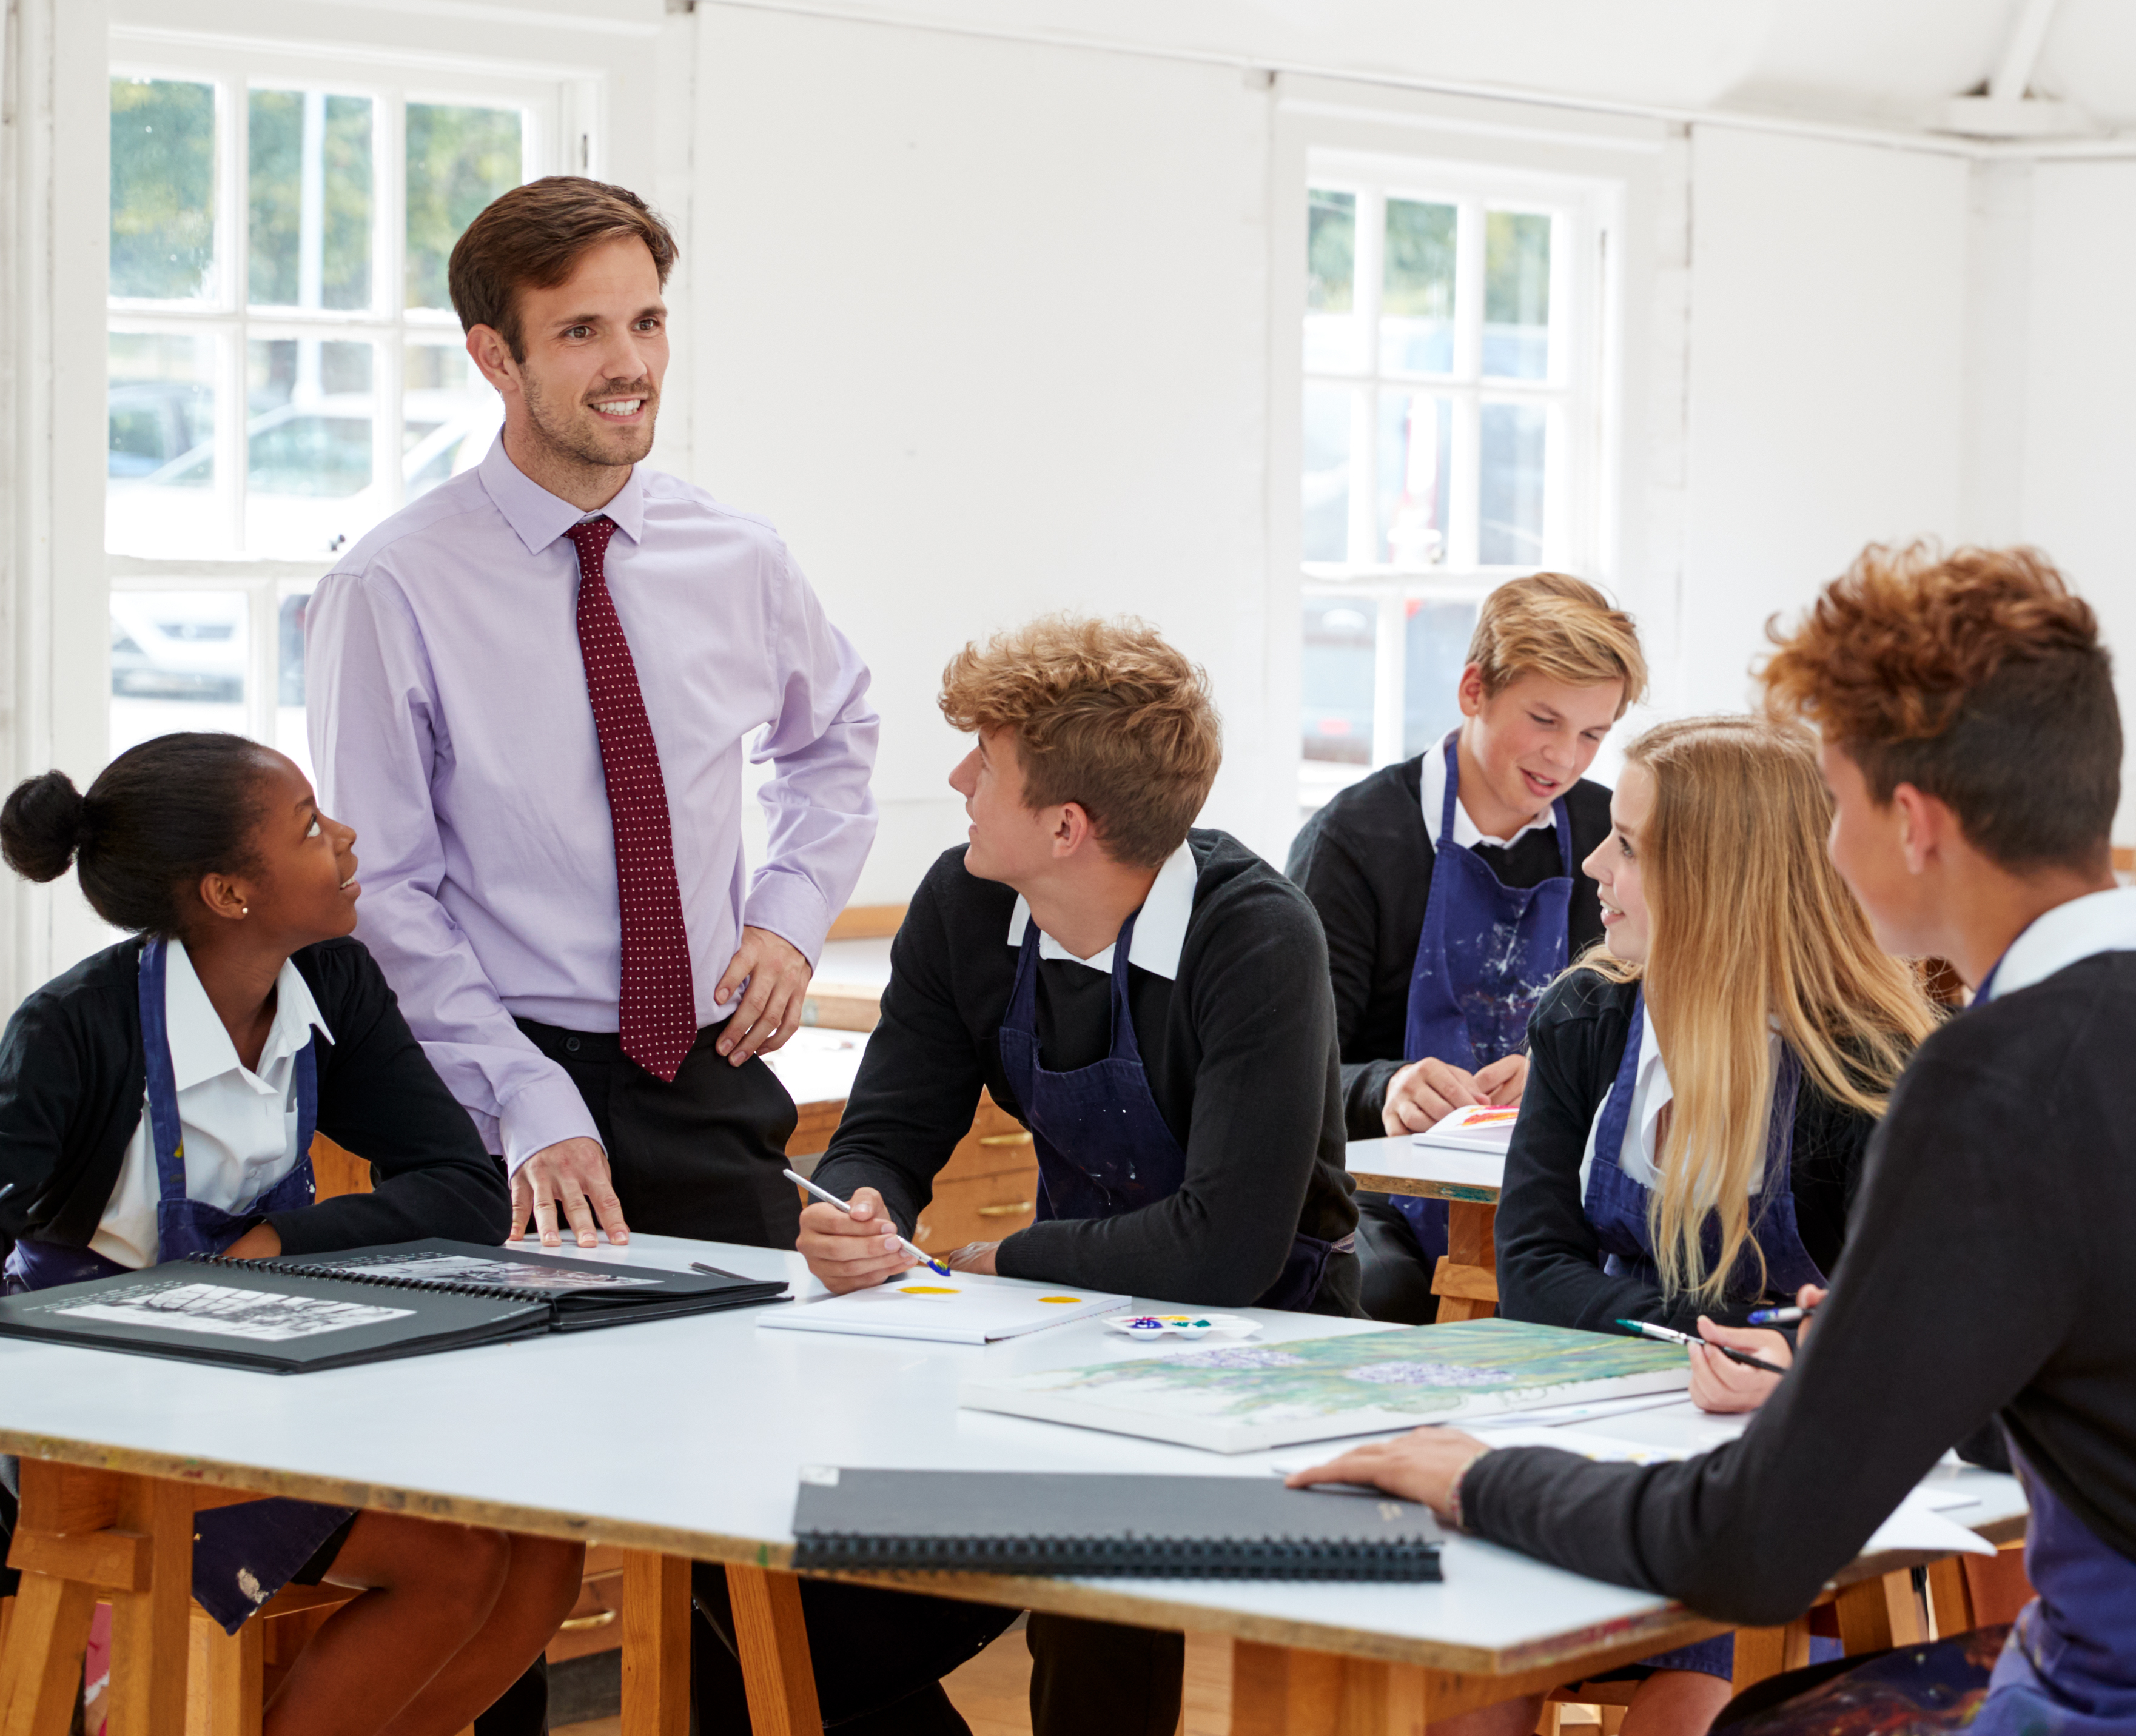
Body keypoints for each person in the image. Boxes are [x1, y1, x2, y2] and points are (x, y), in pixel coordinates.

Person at [1295, 543, 2136, 1736]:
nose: (1816, 848)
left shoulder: (1996, 1077)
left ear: (1910, 822)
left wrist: (1474, 1476)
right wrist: (1845, 1361)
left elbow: (1752, 1545)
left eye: (1833, 802)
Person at [301, 178, 993, 1736]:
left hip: (696, 1071)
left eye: (648, 320)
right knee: (496, 1528)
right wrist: (522, 1095)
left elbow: (836, 749)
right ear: (495, 354)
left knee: (744, 1503)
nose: (630, 364)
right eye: (582, 331)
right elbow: (388, 888)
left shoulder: (731, 553)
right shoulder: (390, 586)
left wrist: (788, 917)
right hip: (487, 1092)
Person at [800, 613, 1359, 1736]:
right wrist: (860, 1207)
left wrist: (1002, 1255)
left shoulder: (1255, 937)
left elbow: (1224, 1247)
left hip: (1258, 1347)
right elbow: (889, 1128)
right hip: (1056, 1327)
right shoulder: (965, 902)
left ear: (1066, 824)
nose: (958, 778)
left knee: (1100, 1625)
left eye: (986, 764)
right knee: (779, 1618)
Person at [0, 737, 580, 1736]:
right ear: (229, 891)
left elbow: (460, 1186)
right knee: (457, 1561)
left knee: (543, 1550)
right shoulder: (71, 1030)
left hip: (268, 1378)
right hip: (107, 1413)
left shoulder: (335, 984)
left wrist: (271, 1244)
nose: (346, 837)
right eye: (311, 824)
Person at [1494, 714, 1933, 1736]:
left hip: (1785, 1486)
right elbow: (1529, 1273)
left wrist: (1786, 1353)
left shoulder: (1864, 1072)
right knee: (1466, 1698)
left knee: (1684, 1712)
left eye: (1633, 844)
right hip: (1597, 1448)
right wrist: (1712, 1330)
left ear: (1727, 875)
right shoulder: (1584, 1018)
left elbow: (1899, 1333)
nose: (1595, 861)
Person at [1290, 572, 1645, 1322]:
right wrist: (1386, 1088)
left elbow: (1643, 1028)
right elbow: (1293, 1065)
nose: (1564, 758)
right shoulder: (1353, 842)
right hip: (1382, 1193)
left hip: (1552, 1181)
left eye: (1591, 734)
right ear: (1473, 689)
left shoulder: (1608, 838)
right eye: (1543, 719)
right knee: (1369, 1294)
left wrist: (1562, 1073)